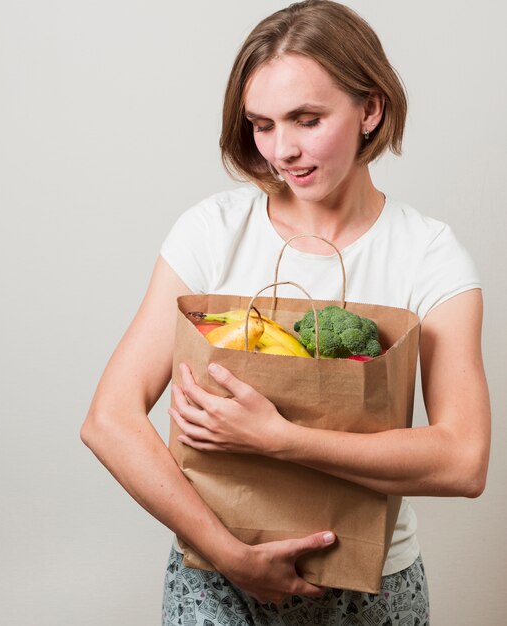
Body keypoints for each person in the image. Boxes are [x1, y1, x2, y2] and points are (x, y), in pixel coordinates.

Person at [81, 1, 491, 624]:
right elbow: (108, 420)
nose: (283, 151)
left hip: (372, 588)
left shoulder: (428, 256)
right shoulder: (213, 231)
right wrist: (227, 553)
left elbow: (464, 459)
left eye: (307, 119)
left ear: (370, 108)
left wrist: (281, 440)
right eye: (262, 124)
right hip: (215, 581)